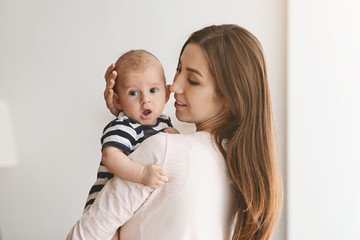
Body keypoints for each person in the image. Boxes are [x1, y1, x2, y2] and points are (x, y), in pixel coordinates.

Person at [67, 24, 283, 240]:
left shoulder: (164, 148)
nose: (174, 86)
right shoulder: (242, 170)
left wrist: (126, 115)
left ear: (229, 96)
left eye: (192, 80)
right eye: (178, 69)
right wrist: (127, 116)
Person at [84, 49, 178, 212]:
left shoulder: (164, 123)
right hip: (104, 204)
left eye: (153, 90)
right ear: (118, 102)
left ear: (167, 94)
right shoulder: (124, 126)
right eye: (133, 93)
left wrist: (175, 137)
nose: (145, 100)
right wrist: (142, 173)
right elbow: (110, 156)